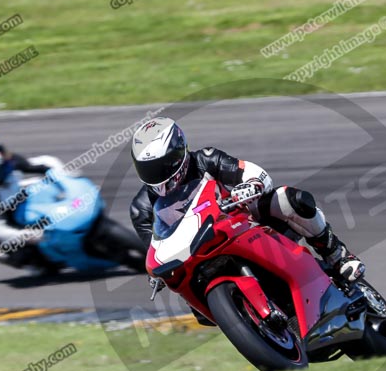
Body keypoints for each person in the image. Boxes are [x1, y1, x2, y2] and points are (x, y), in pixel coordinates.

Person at [129, 118, 365, 284]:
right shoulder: (141, 208)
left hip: (237, 223)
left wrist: (249, 186)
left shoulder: (205, 159)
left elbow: (255, 173)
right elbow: (154, 251)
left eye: (161, 165)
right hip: (193, 257)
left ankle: (337, 255)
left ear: (179, 152)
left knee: (290, 200)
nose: (157, 175)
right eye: (148, 169)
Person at [0, 138, 64, 272]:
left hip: (18, 197)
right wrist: (28, 235)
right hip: (0, 215)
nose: (0, 174)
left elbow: (45, 163)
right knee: (19, 250)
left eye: (4, 168)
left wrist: (65, 175)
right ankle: (19, 258)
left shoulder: (11, 161)